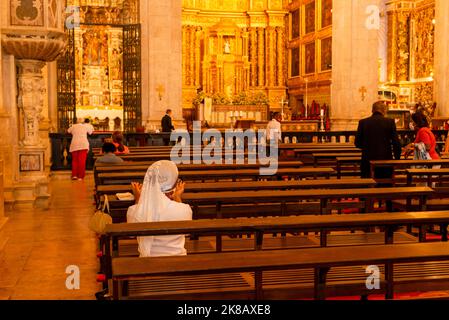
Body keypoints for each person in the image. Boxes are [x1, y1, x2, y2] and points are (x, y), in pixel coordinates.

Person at [127, 161, 192, 257]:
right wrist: (177, 197)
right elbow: (186, 233)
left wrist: (139, 198)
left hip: (147, 263)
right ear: (173, 184)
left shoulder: (134, 211)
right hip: (178, 260)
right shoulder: (184, 209)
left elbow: (131, 233)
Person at [355, 101, 402, 179]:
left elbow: (357, 143)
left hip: (367, 160)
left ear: (372, 110)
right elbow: (396, 143)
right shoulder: (389, 122)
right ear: (384, 110)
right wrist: (397, 159)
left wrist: (368, 148)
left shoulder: (363, 122)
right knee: (385, 184)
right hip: (385, 161)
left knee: (367, 184)